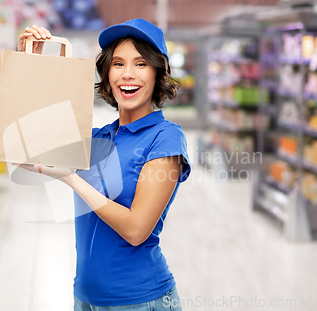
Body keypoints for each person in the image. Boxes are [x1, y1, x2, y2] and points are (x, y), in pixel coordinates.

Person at [15, 18, 191, 310]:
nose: (128, 75)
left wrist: (71, 178)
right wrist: (28, 63)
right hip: (85, 298)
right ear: (107, 73)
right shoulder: (99, 138)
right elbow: (21, 152)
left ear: (158, 72)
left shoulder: (166, 138)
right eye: (118, 64)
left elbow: (136, 230)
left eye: (141, 64)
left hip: (141, 300)